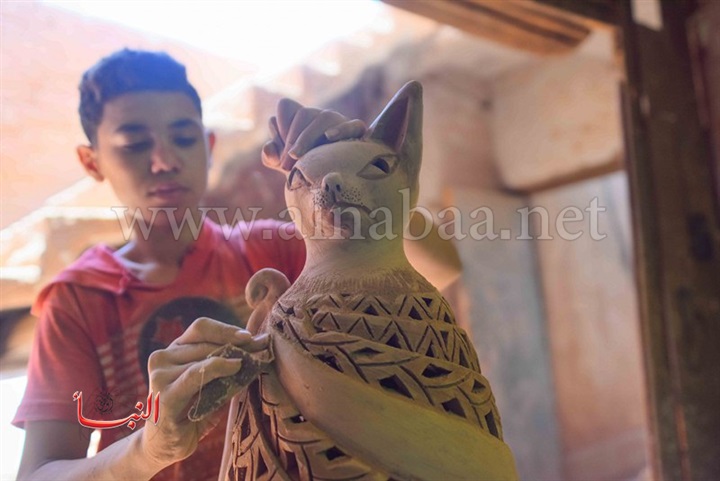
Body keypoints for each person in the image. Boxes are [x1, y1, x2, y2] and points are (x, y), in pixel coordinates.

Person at [13, 49, 461, 481]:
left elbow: (440, 267)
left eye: (184, 138)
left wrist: (361, 164)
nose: (165, 161)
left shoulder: (272, 250)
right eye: (134, 144)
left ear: (209, 146)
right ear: (92, 162)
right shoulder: (79, 301)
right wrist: (148, 450)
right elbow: (38, 472)